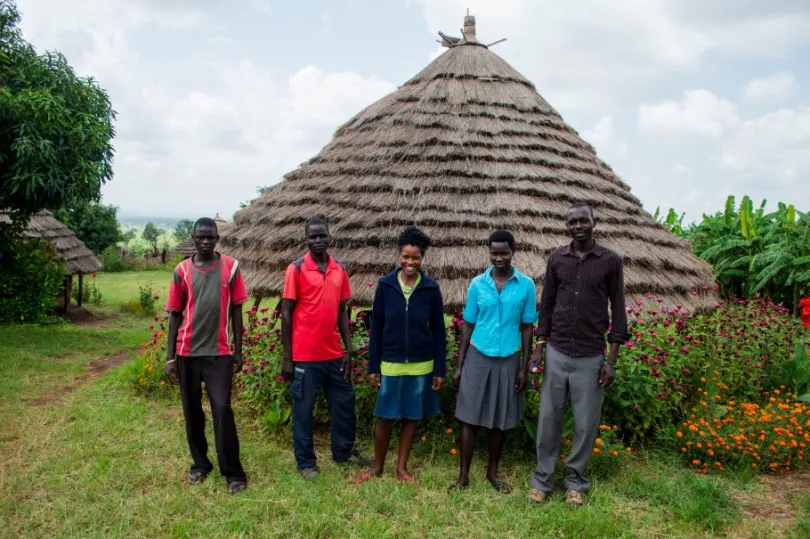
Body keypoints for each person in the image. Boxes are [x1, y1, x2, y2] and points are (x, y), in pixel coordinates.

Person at [527, 202, 629, 506]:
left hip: (590, 355)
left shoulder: (610, 261)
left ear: (594, 222)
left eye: (583, 221)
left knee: (585, 424)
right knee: (548, 419)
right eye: (572, 222)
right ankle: (542, 481)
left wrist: (611, 361)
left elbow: (619, 310)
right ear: (566, 225)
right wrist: (539, 348)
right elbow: (547, 303)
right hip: (557, 351)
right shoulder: (557, 258)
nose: (578, 226)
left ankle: (575, 483)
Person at [354, 226, 447, 483]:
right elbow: (377, 329)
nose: (410, 262)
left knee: (411, 417)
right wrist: (374, 366)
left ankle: (402, 468)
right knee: (384, 416)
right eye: (406, 256)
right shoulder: (385, 286)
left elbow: (439, 331)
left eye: (415, 257)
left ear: (422, 258)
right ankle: (377, 466)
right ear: (399, 256)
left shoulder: (430, 288)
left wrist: (439, 369)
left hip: (421, 365)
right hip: (391, 363)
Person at [281, 218, 371, 479]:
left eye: (322, 236)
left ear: (330, 237)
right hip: (305, 356)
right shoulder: (296, 269)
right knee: (303, 410)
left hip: (333, 355)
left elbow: (343, 312)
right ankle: (306, 463)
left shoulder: (339, 269)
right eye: (312, 237)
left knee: (344, 403)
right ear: (306, 240)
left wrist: (348, 350)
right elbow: (286, 313)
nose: (317, 240)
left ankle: (343, 452)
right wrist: (288, 357)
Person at [164, 217, 248, 495]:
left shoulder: (231, 268)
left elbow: (237, 310)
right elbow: (175, 314)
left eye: (210, 237)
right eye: (201, 237)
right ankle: (200, 464)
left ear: (217, 238)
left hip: (220, 353)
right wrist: (170, 357)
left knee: (222, 410)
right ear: (193, 237)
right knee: (192, 412)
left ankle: (233, 472)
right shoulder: (182, 271)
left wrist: (238, 350)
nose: (205, 241)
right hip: (187, 352)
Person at [450, 230, 537, 493]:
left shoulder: (526, 285)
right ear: (489, 253)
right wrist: (460, 364)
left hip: (509, 358)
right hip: (478, 355)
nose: (499, 258)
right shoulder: (477, 284)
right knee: (469, 416)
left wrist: (524, 367)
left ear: (513, 252)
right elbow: (467, 324)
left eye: (504, 253)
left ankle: (492, 473)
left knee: (500, 416)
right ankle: (463, 476)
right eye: (494, 253)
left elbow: (527, 327)